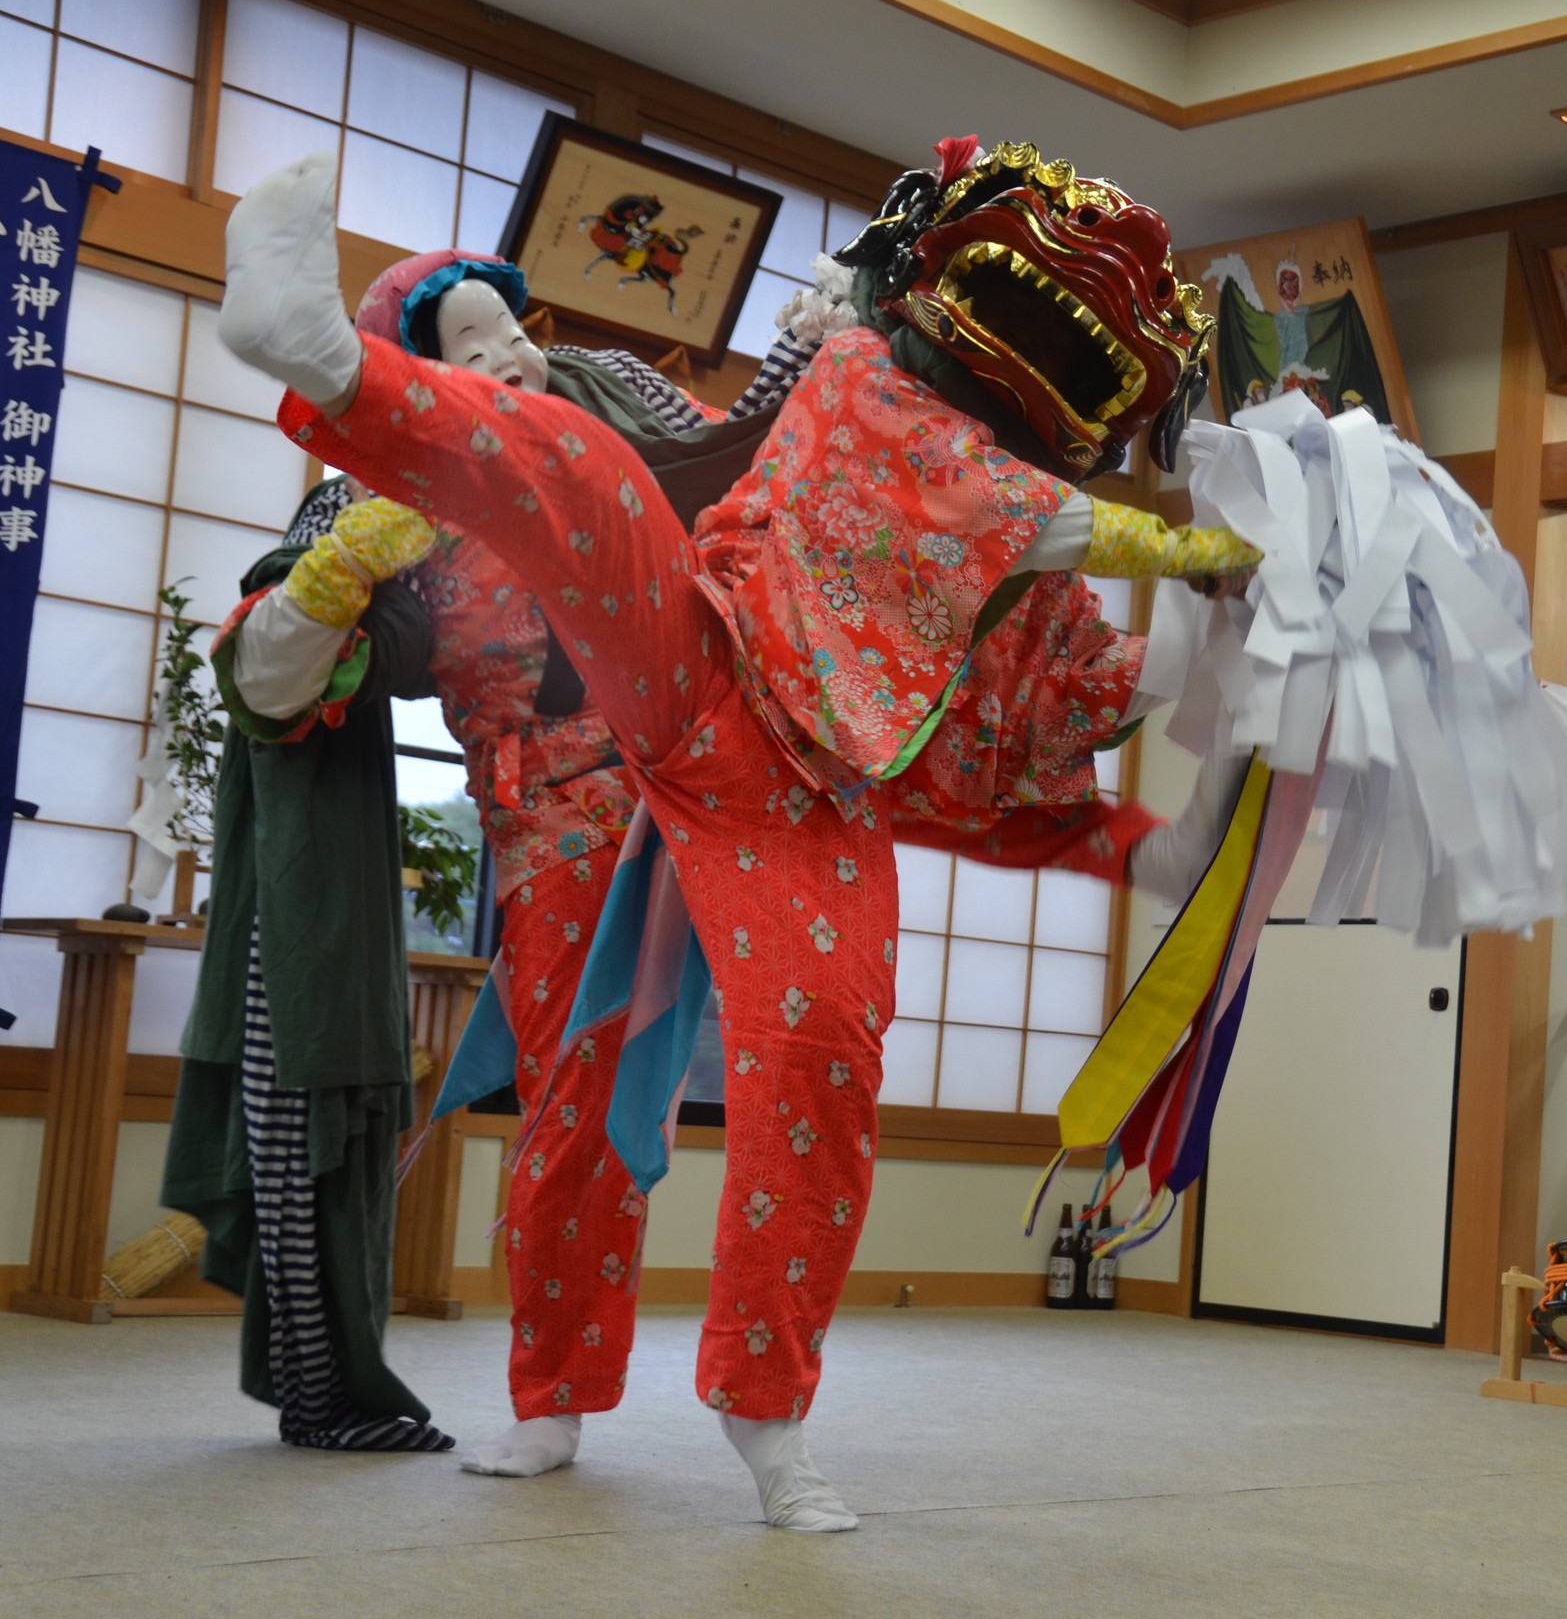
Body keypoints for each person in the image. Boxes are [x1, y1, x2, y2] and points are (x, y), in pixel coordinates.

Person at [212, 139, 1252, 1529]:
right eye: (469, 341)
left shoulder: (646, 403)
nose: (512, 352)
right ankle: (552, 1396)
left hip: (786, 754)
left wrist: (1223, 583)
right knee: (571, 1108)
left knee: (823, 1062)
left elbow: (822, 443)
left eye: (516, 325)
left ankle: (771, 1417)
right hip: (592, 804)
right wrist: (340, 570)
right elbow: (268, 686)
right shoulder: (387, 509)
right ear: (427, 370)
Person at [158, 481, 454, 1454]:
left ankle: (323, 1394)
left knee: (333, 1167)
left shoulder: (367, 602)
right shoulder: (293, 594)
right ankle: (323, 1402)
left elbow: (413, 647)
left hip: (326, 932)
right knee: (305, 1167)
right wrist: (355, 561)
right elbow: (278, 675)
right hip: (290, 945)